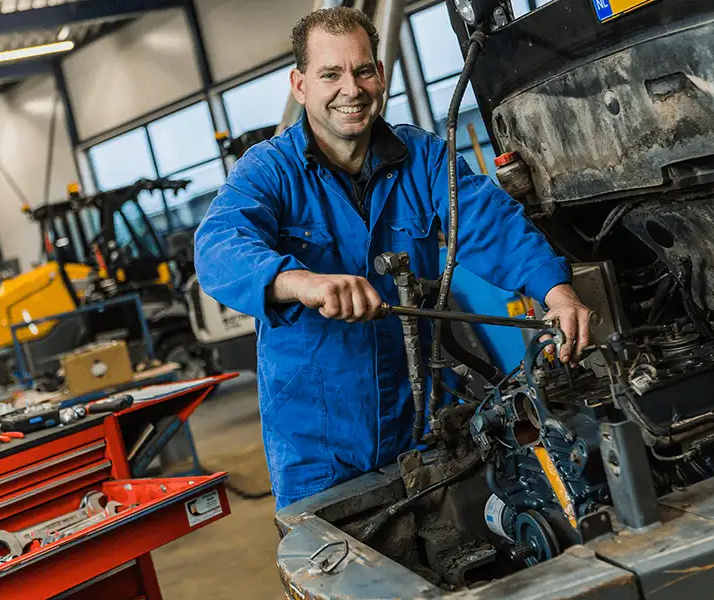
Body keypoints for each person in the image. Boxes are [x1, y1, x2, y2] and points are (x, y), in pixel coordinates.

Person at [194, 7, 591, 509]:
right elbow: (217, 246)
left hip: (424, 422)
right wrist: (301, 282)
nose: (351, 89)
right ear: (300, 85)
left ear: (380, 75)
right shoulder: (270, 170)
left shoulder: (423, 158)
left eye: (363, 70)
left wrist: (555, 291)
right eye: (330, 74)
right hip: (318, 445)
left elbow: (489, 222)